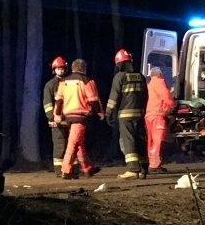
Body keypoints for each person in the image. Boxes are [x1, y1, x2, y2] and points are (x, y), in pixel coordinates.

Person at [53, 59, 102, 180]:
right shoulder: (87, 81)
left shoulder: (63, 82)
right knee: (73, 143)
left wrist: (57, 115)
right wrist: (100, 113)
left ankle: (87, 168)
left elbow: (59, 101)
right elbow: (93, 100)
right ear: (84, 68)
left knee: (78, 142)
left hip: (68, 115)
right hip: (80, 116)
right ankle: (66, 170)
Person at [106, 49, 149, 180]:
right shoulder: (140, 76)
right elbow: (145, 95)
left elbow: (114, 97)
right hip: (139, 114)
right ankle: (143, 168)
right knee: (140, 141)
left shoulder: (120, 77)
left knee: (128, 141)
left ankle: (132, 169)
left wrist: (108, 113)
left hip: (125, 115)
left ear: (119, 64)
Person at [43, 56, 76, 177]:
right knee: (59, 146)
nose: (60, 71)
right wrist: (52, 118)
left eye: (62, 69)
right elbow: (48, 104)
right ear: (54, 70)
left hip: (71, 119)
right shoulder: (50, 85)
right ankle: (59, 171)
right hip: (57, 121)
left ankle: (73, 169)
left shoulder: (70, 82)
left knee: (72, 145)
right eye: (58, 69)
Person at [145, 67, 174, 173]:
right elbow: (166, 97)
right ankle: (155, 164)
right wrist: (171, 107)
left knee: (151, 141)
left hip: (149, 116)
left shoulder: (149, 85)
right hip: (158, 115)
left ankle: (151, 163)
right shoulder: (159, 82)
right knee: (158, 140)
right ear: (160, 75)